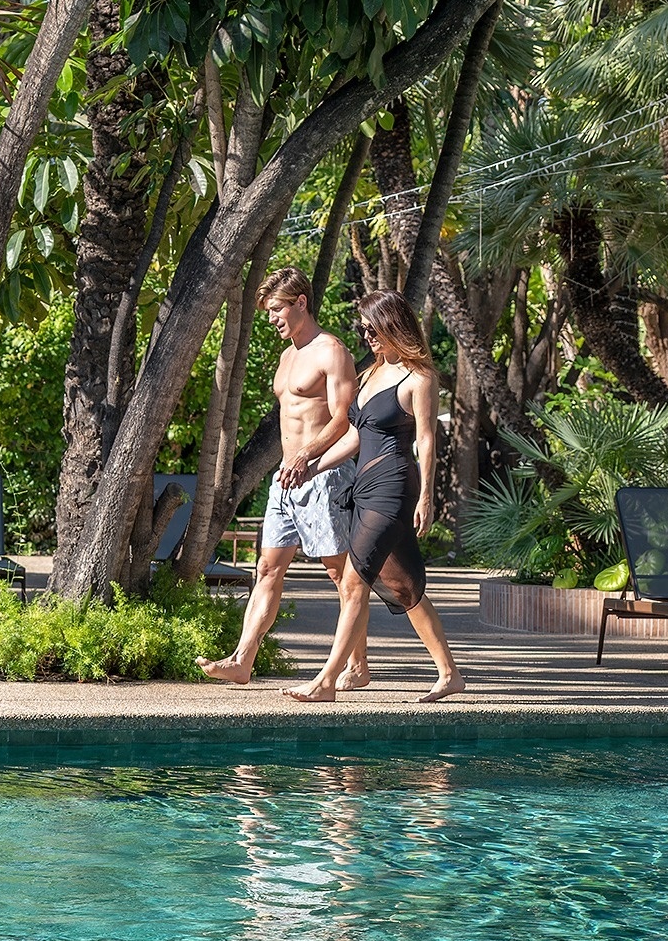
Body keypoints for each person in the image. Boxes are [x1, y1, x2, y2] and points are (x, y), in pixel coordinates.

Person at [287, 289, 466, 704]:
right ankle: (450, 673)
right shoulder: (370, 374)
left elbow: (426, 440)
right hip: (365, 490)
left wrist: (427, 498)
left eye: (372, 327)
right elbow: (354, 434)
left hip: (393, 488)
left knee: (353, 580)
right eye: (363, 328)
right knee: (403, 587)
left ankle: (327, 680)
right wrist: (313, 467)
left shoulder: (418, 378)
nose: (366, 334)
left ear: (392, 324)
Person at [196, 267, 367, 687]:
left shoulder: (332, 352)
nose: (271, 318)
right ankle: (242, 660)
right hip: (285, 480)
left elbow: (344, 421)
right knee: (268, 569)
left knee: (341, 575)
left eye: (277, 310)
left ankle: (358, 666)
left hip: (324, 475)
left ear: (301, 303)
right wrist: (290, 460)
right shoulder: (288, 354)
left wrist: (308, 454)